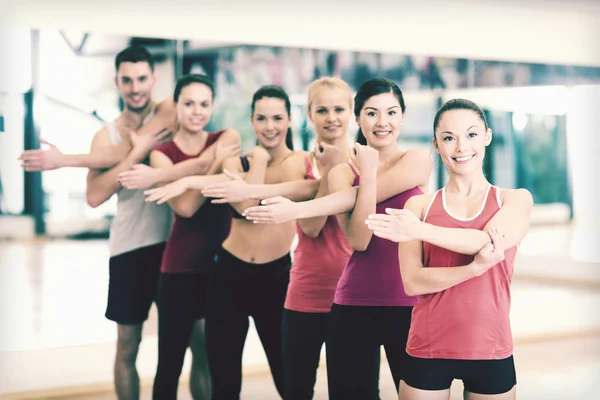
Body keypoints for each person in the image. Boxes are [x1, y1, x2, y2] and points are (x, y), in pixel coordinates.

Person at [242, 78, 433, 399]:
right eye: (371, 113)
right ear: (358, 119)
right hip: (354, 303)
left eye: (391, 112)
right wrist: (366, 174)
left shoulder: (418, 160)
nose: (382, 122)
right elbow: (359, 240)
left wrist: (300, 208)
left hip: (409, 302)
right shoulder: (342, 173)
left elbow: (354, 197)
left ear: (402, 117)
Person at [365, 98, 533, 400]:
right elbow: (412, 282)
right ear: (436, 144)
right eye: (448, 138)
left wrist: (420, 230)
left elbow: (487, 241)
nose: (460, 147)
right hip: (428, 345)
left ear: (487, 137)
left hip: (490, 347)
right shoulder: (419, 205)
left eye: (470, 135)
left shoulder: (515, 200)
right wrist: (473, 268)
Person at [201, 77, 357, 400]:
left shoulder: (300, 162)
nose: (269, 126)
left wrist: (254, 181)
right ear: (251, 121)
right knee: (224, 382)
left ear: (290, 119)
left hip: (276, 276)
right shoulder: (239, 161)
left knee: (289, 380)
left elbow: (302, 198)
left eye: (277, 118)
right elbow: (245, 207)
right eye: (261, 118)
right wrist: (257, 160)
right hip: (228, 273)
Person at [147, 73, 240, 400]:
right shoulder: (162, 154)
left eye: (204, 104)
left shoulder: (227, 135)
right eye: (188, 103)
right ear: (177, 106)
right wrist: (214, 163)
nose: (196, 111)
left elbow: (222, 189)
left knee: (210, 358)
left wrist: (203, 169)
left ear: (212, 106)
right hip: (180, 269)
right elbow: (185, 207)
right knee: (170, 361)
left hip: (220, 265)